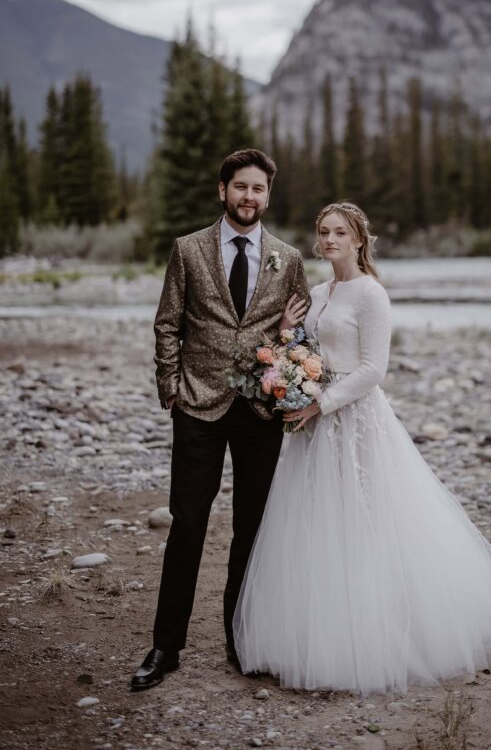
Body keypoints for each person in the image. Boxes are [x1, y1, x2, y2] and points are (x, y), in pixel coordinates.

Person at [233, 201, 491, 695]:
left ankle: (380, 640)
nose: (329, 240)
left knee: (365, 520)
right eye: (324, 232)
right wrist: (288, 333)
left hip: (353, 421)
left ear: (359, 240)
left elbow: (374, 369)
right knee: (315, 523)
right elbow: (306, 352)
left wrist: (320, 404)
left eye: (340, 233)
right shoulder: (317, 291)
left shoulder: (371, 294)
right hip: (313, 427)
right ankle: (311, 635)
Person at [131, 149, 310, 691]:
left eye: (258, 189)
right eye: (240, 188)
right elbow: (168, 323)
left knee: (251, 529)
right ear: (222, 190)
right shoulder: (187, 250)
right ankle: (166, 647)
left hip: (259, 410)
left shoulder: (288, 258)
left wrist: (284, 345)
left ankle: (242, 640)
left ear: (268, 196)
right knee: (187, 524)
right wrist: (170, 387)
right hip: (198, 406)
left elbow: (298, 337)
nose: (248, 197)